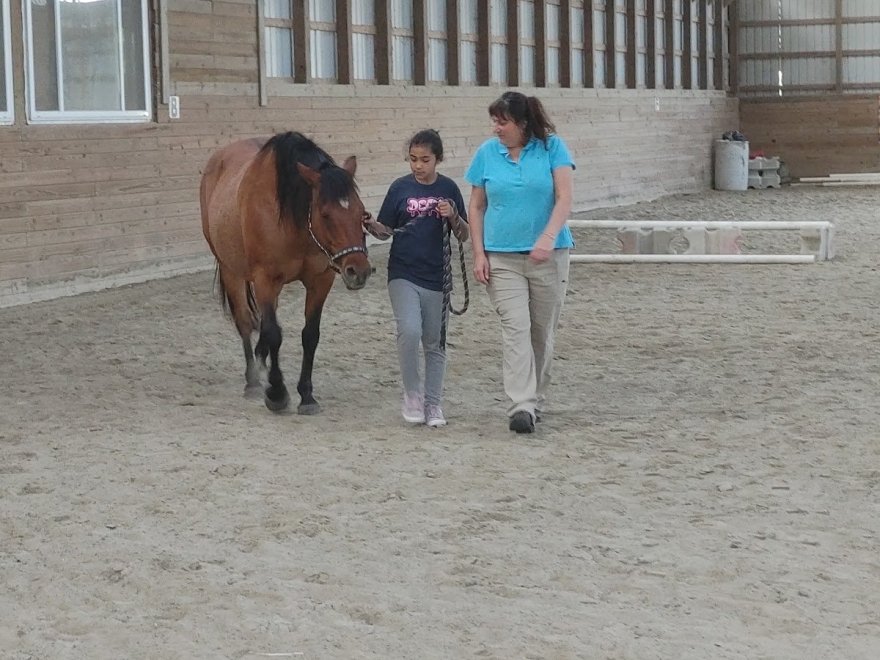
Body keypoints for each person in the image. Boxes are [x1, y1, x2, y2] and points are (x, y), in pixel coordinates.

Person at [464, 91, 575, 434]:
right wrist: (479, 252)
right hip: (502, 257)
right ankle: (521, 405)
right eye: (494, 121)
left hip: (549, 256)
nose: (496, 128)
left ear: (523, 124)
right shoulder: (486, 153)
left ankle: (536, 398)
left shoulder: (552, 148)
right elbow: (476, 206)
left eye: (503, 122)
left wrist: (548, 236)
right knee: (516, 330)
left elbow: (564, 197)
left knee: (541, 332)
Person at [363, 129, 468, 427]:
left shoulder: (449, 188)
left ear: (438, 159)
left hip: (436, 276)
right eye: (413, 159)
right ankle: (412, 394)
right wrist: (371, 225)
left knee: (434, 342)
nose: (418, 166)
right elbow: (386, 230)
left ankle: (433, 404)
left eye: (425, 160)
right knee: (409, 331)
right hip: (403, 272)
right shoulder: (400, 188)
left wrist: (453, 216)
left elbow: (464, 234)